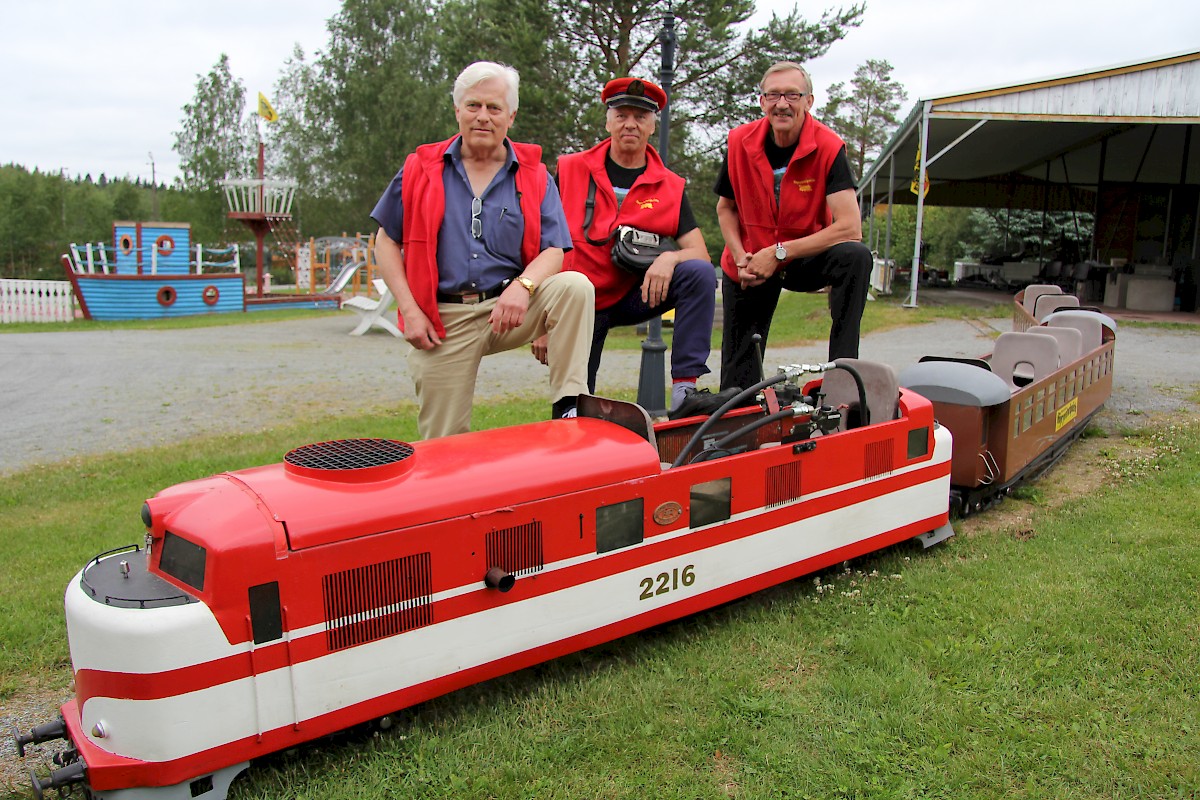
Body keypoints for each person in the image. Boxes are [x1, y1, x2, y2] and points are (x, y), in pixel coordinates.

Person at [371, 61, 595, 439]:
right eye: (473, 106)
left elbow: (555, 250)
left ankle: (569, 405)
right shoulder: (419, 168)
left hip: (507, 309)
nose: (482, 117)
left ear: (511, 116)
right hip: (443, 318)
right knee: (443, 447)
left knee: (575, 286)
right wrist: (409, 311)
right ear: (457, 110)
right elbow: (385, 241)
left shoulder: (534, 175)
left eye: (494, 108)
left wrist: (523, 288)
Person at [547, 76, 725, 417]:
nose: (630, 123)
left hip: (633, 294)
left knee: (697, 273)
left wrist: (670, 258)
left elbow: (701, 254)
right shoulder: (570, 169)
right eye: (622, 114)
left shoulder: (670, 186)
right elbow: (544, 242)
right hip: (578, 304)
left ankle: (686, 393)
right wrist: (546, 318)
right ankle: (570, 441)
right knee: (571, 409)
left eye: (641, 116)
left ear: (652, 124)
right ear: (608, 120)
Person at [714, 61, 872, 393]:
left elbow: (849, 227)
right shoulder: (739, 142)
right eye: (773, 95)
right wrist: (741, 255)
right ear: (761, 102)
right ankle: (740, 421)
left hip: (805, 256)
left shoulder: (829, 147)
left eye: (792, 95)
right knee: (737, 376)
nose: (782, 104)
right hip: (752, 258)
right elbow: (725, 208)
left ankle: (842, 379)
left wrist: (781, 252)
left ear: (808, 101)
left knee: (855, 256)